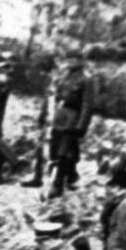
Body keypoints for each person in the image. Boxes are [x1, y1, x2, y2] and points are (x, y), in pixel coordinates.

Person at [48, 52, 95, 197]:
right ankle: (72, 175)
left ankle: (58, 184)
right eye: (70, 59)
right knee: (55, 150)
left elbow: (87, 105)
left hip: (73, 119)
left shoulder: (86, 80)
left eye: (75, 59)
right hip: (60, 117)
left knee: (63, 152)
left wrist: (82, 126)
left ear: (82, 61)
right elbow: (57, 97)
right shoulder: (64, 77)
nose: (72, 62)